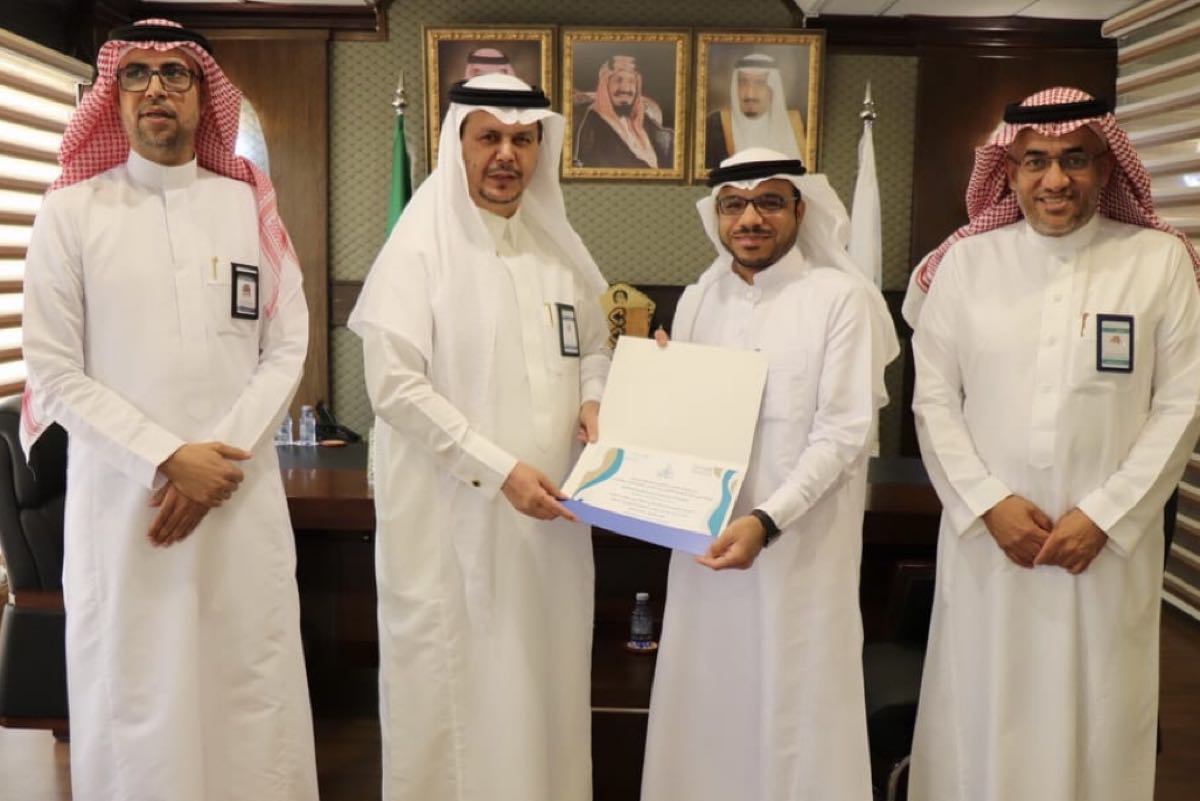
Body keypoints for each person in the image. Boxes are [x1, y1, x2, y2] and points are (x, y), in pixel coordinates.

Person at [19, 18, 316, 801]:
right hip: (127, 509)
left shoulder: (246, 205)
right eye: (137, 72)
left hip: (237, 498)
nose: (156, 88)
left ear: (203, 95)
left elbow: (288, 343)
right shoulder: (71, 213)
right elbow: (52, 367)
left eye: (175, 73)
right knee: (138, 699)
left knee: (247, 690)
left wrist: (217, 458)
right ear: (113, 94)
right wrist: (165, 458)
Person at [904, 86, 1200, 801]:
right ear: (1008, 172)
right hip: (988, 543)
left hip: (1105, 550)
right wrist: (988, 504)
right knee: (981, 707)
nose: (1055, 179)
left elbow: (1183, 403)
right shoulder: (965, 265)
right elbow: (934, 400)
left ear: (1107, 166)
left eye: (1075, 158)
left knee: (1099, 715)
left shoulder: (1159, 261)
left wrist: (1104, 515)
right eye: (1035, 161)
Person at [348, 73, 611, 801]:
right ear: (456, 143)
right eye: (489, 136)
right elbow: (395, 389)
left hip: (550, 527)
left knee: (544, 690)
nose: (506, 155)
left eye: (523, 140)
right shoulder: (418, 252)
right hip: (454, 528)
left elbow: (595, 347)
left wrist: (594, 398)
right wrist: (500, 472)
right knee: (458, 701)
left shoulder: (557, 251)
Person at [640, 148, 899, 801]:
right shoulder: (698, 300)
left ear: (800, 210)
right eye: (734, 204)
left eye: (769, 202)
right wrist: (647, 395)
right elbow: (680, 424)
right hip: (705, 548)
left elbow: (843, 434)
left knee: (795, 710)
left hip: (799, 555)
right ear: (716, 214)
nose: (750, 219)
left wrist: (766, 520)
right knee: (705, 703)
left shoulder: (841, 299)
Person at [704, 53, 806, 170]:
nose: (750, 94)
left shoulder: (797, 125)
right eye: (743, 82)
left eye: (760, 83)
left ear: (773, 88)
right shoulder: (715, 124)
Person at [573, 54, 673, 169]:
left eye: (631, 82)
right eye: (618, 80)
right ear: (605, 86)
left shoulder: (644, 121)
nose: (625, 88)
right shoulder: (588, 124)